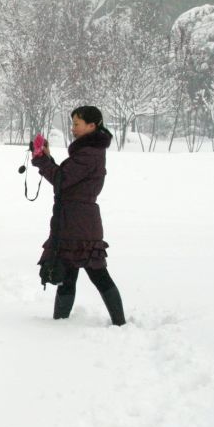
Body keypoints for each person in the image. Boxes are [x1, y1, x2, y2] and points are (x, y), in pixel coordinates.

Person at [31, 106, 126, 326]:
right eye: (72, 123)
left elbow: (61, 180)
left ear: (92, 126)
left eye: (77, 124)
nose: (73, 128)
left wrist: (41, 160)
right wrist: (46, 158)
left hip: (79, 224)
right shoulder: (89, 151)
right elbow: (65, 180)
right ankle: (61, 323)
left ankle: (119, 323)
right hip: (76, 221)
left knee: (97, 274)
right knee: (70, 274)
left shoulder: (88, 154)